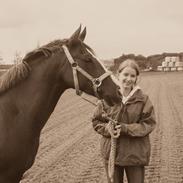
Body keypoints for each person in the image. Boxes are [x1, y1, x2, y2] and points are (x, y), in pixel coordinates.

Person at [92, 59, 156, 183]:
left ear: (137, 78)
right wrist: (107, 128)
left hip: (135, 154)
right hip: (112, 154)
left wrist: (125, 128)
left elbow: (148, 124)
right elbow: (96, 121)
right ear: (118, 75)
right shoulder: (106, 98)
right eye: (125, 75)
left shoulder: (143, 100)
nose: (128, 79)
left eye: (133, 76)